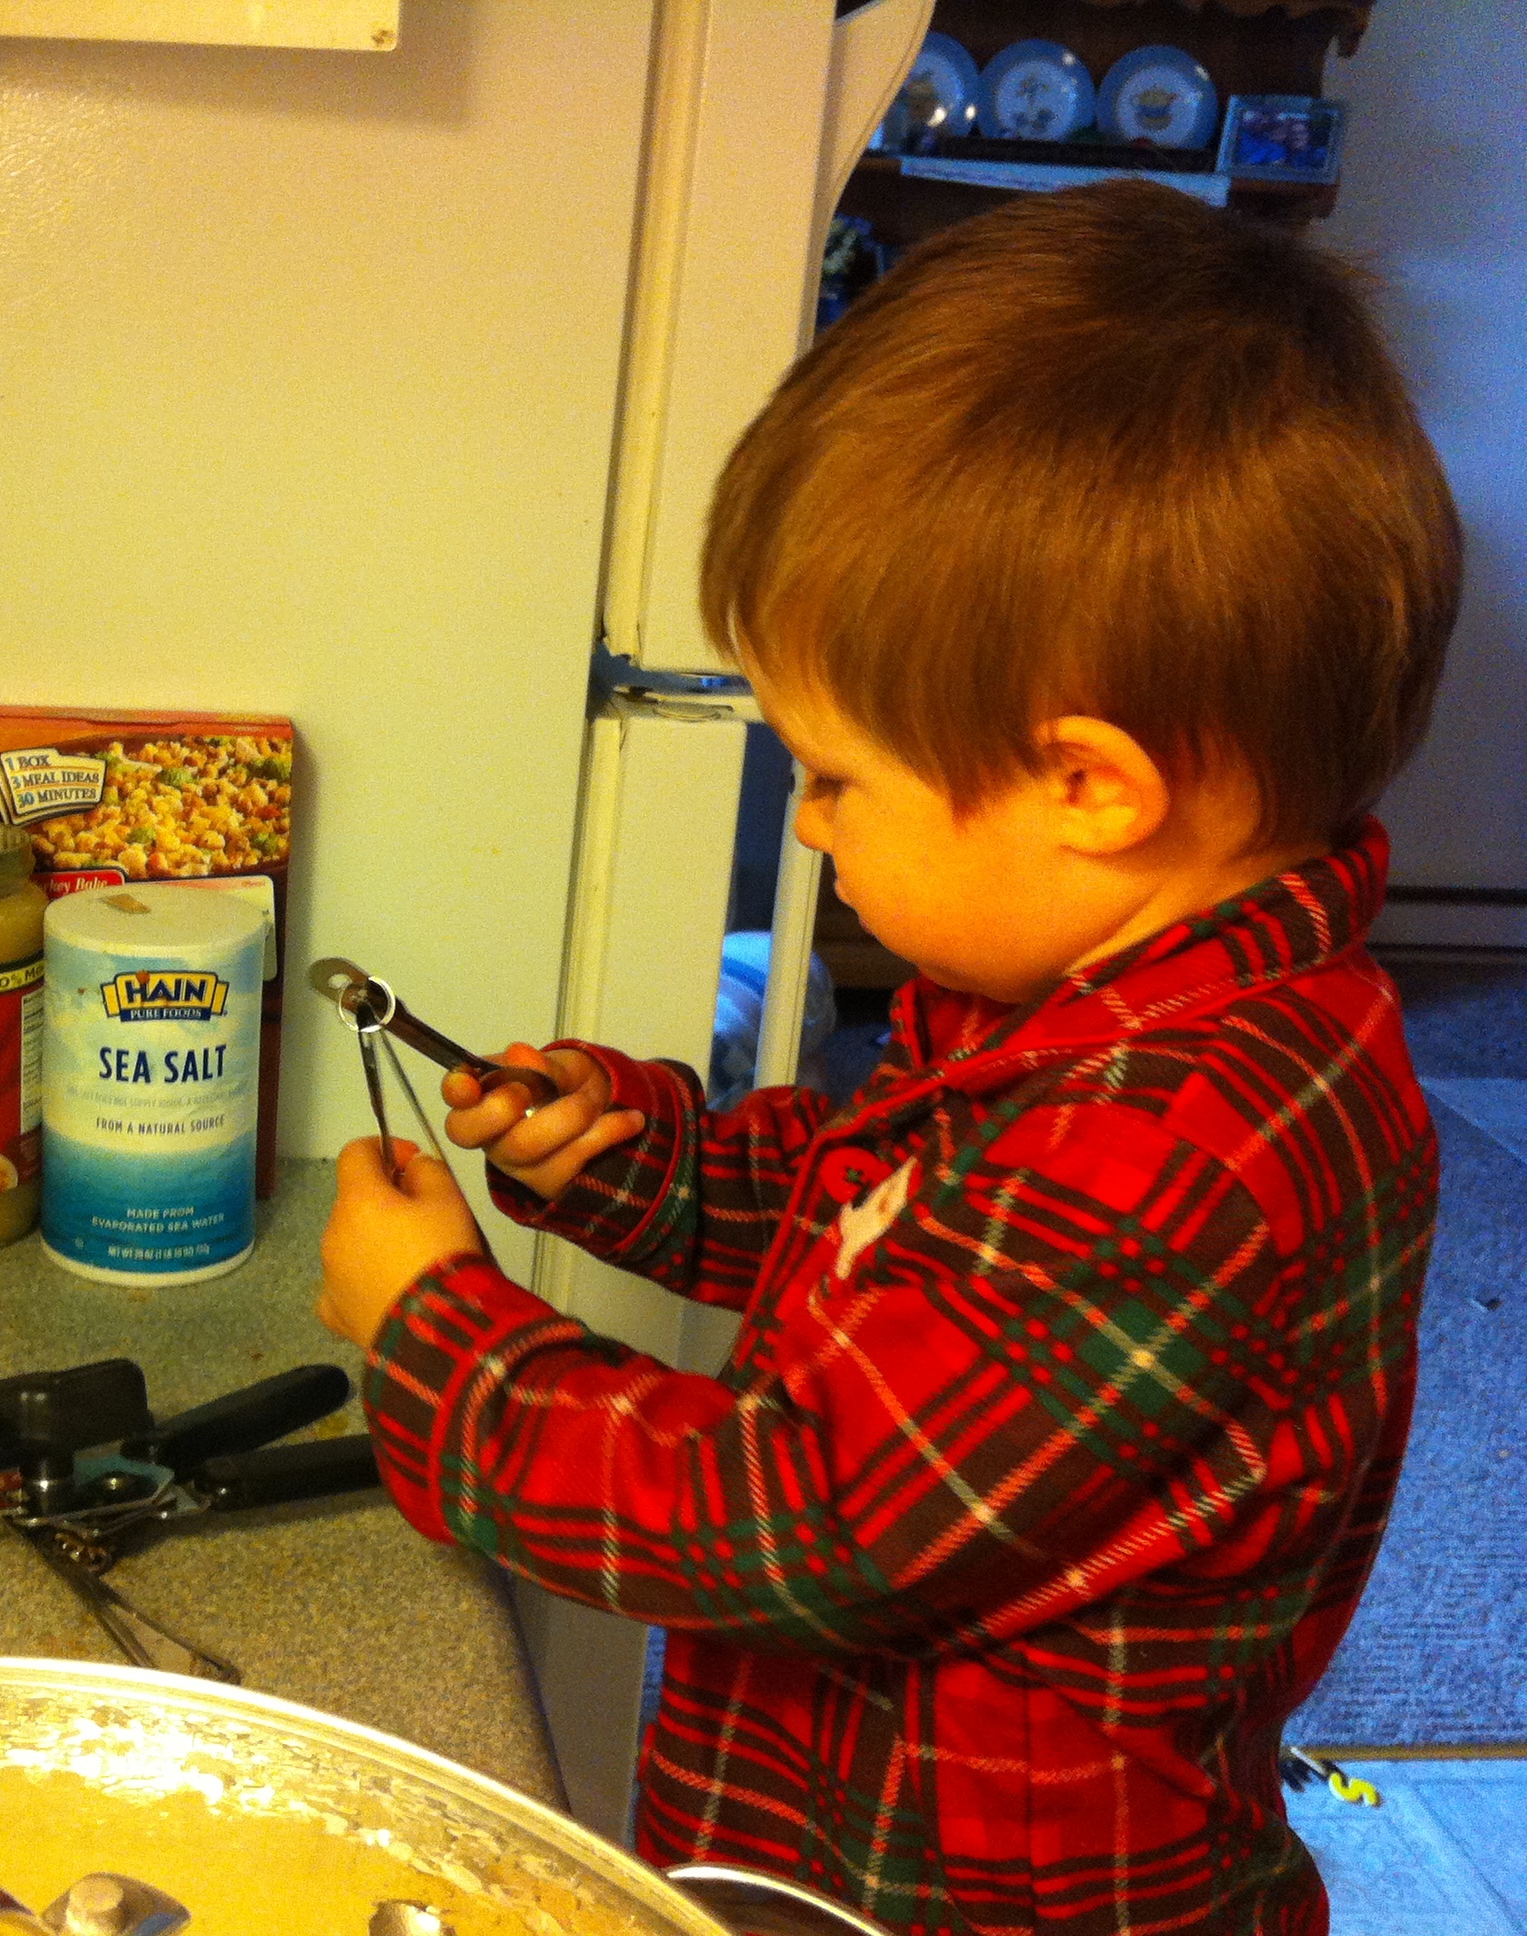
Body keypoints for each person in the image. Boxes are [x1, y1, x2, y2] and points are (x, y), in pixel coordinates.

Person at [318, 179, 1460, 1936]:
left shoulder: (1187, 1138)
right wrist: (631, 1158)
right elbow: (892, 1245)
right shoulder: (1089, 1008)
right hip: (828, 1847)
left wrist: (437, 1343)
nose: (818, 828)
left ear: (1093, 787)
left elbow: (813, 1522)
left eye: (835, 778)